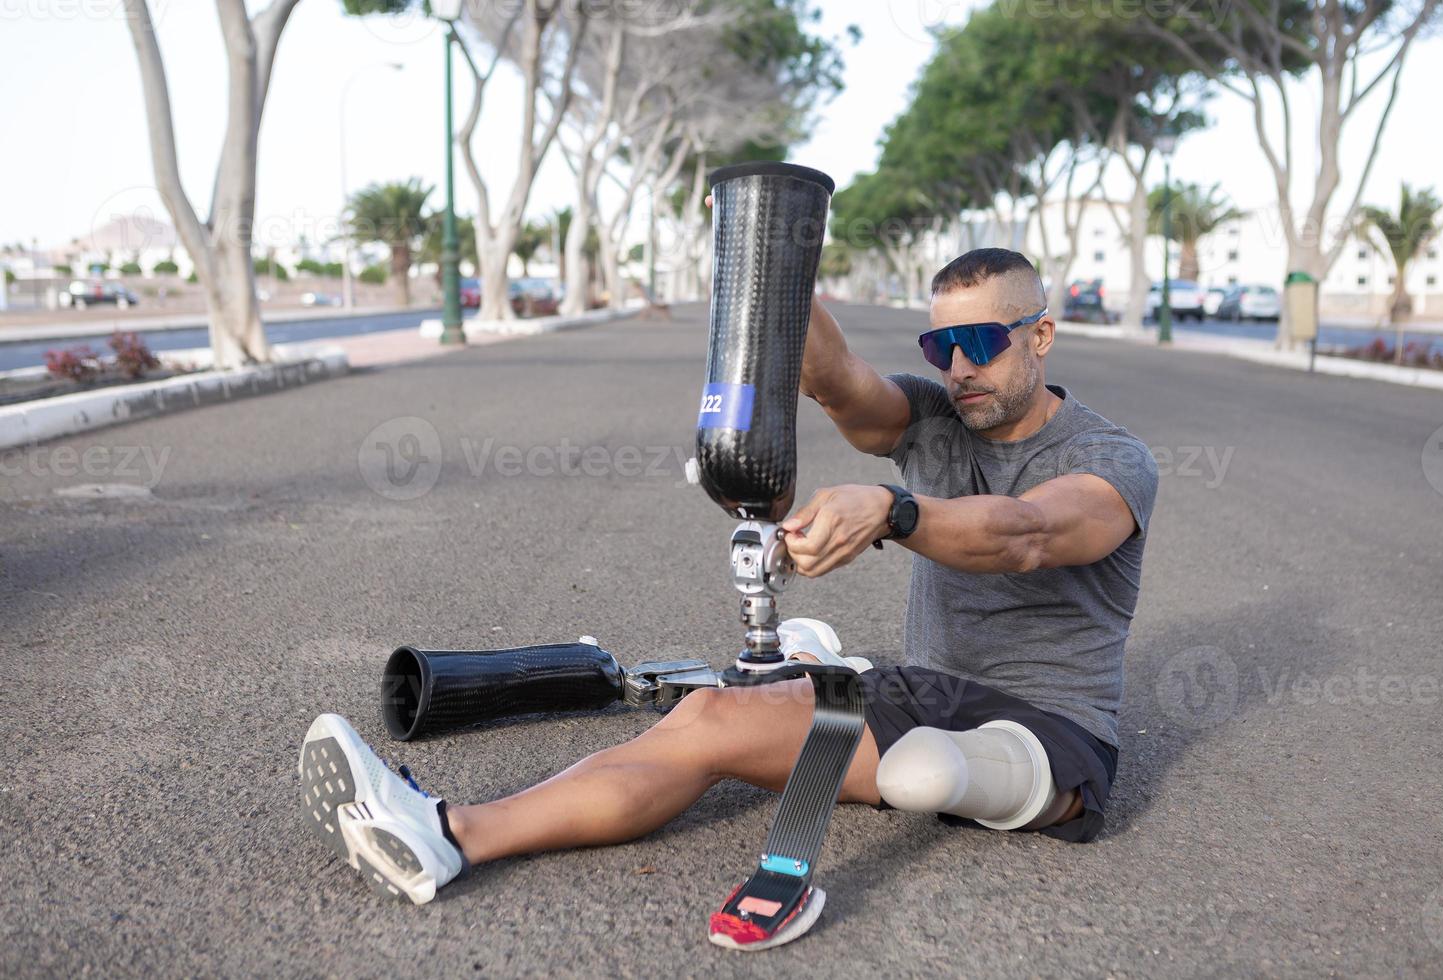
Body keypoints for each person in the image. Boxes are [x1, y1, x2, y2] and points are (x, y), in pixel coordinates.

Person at [298, 248, 1158, 920]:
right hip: (920, 693)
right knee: (706, 716)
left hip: (1053, 729)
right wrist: (775, 256)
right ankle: (449, 834)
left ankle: (956, 762)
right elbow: (836, 382)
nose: (958, 367)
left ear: (1040, 336)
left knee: (935, 775)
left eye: (981, 343)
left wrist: (893, 511)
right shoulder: (935, 417)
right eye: (942, 346)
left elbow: (1031, 536)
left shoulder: (1110, 458)